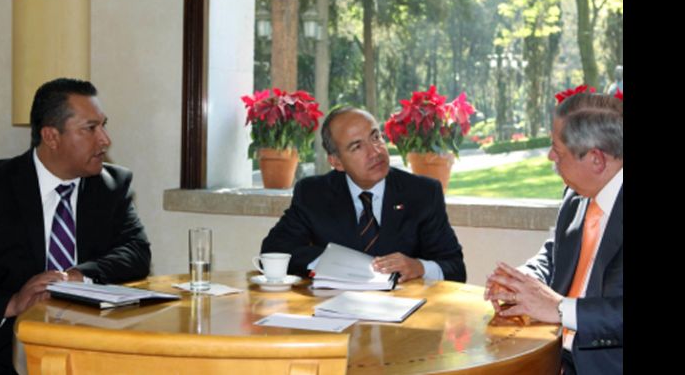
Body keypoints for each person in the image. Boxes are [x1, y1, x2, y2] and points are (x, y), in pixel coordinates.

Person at [0, 78, 152, 375]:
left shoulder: (111, 186)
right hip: (6, 351)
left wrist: (77, 276)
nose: (105, 139)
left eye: (103, 125)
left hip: (93, 347)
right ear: (51, 136)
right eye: (90, 128)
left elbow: (136, 253)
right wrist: (11, 303)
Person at [484, 92, 622, 374]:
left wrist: (559, 309)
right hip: (551, 357)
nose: (549, 156)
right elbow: (554, 255)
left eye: (558, 151)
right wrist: (522, 283)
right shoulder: (576, 196)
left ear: (596, 159)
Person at [260, 106, 466, 283]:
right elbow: (272, 252)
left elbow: (455, 269)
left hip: (404, 316)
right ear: (336, 162)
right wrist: (333, 262)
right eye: (357, 146)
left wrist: (419, 267)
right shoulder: (314, 194)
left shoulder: (422, 193)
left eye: (376, 137)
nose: (375, 151)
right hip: (336, 313)